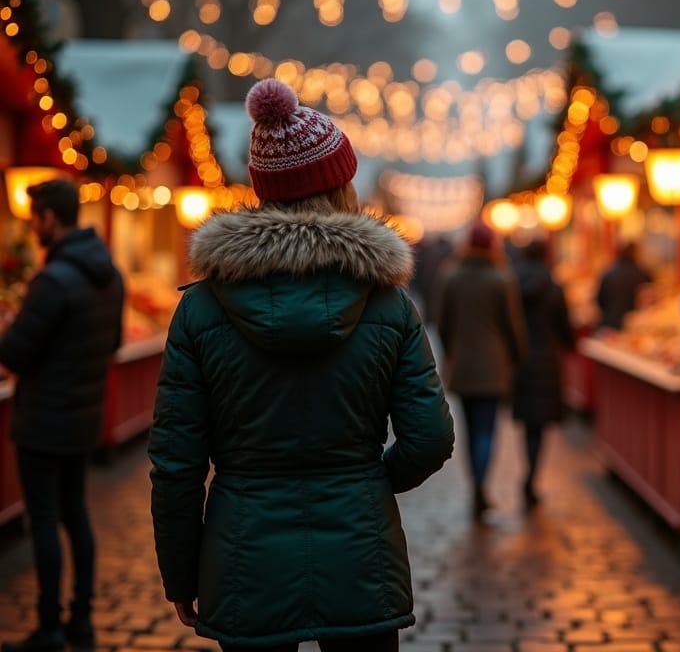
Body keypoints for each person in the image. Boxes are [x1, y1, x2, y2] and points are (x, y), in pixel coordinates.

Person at [148, 78, 455, 652]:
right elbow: (430, 436)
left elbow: (177, 463)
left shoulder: (201, 309)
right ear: (342, 185)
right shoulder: (388, 304)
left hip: (244, 553)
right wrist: (366, 484)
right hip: (359, 551)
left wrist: (182, 571)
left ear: (261, 189)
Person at [0, 178, 125, 652]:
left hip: (43, 422)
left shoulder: (52, 281)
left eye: (35, 219)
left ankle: (49, 626)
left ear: (49, 217)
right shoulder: (109, 275)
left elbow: (16, 353)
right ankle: (83, 619)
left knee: (45, 520)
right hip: (84, 419)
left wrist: (8, 326)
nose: (32, 228)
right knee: (77, 514)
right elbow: (112, 344)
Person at [436, 220, 526, 520]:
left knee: (470, 428)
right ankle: (480, 485)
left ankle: (475, 484)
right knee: (487, 429)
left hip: (463, 365)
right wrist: (517, 357)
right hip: (494, 366)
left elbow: (443, 324)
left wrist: (452, 354)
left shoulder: (452, 275)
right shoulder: (502, 277)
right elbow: (512, 325)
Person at [510, 239, 576, 509]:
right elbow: (565, 328)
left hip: (522, 361)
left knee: (528, 424)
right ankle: (532, 476)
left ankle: (528, 471)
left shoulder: (513, 285)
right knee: (540, 426)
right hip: (547, 361)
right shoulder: (553, 288)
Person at [595, 241, 652, 329]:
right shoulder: (642, 274)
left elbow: (599, 300)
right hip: (635, 325)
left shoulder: (608, 273)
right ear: (634, 253)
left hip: (609, 323)